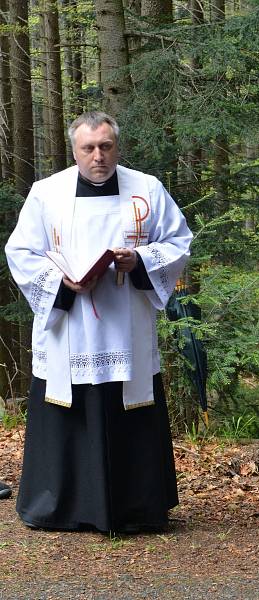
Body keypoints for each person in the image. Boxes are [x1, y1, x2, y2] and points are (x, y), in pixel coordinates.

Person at [5, 111, 192, 534]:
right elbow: (20, 252)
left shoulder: (147, 189)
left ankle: (137, 507)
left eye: (105, 146)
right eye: (88, 148)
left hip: (125, 323)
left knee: (127, 405)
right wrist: (61, 283)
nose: (98, 156)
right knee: (71, 407)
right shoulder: (46, 193)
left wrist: (139, 258)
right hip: (70, 327)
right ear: (74, 150)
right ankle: (60, 507)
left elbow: (179, 241)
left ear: (116, 147)